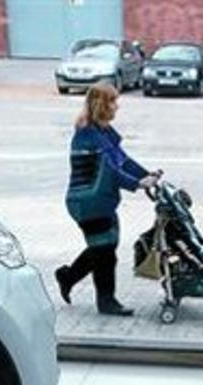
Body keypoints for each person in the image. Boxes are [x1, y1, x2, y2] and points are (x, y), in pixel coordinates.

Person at [55, 83, 160, 316]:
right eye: (113, 101)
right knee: (104, 252)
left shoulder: (104, 132)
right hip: (86, 202)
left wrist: (147, 175)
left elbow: (123, 160)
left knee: (104, 247)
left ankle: (68, 277)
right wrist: (137, 184)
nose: (117, 106)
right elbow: (110, 170)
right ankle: (106, 301)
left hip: (101, 201)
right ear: (101, 104)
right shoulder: (87, 135)